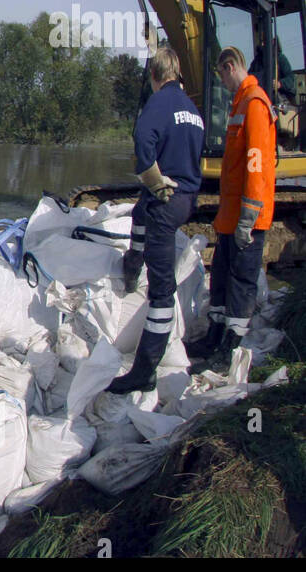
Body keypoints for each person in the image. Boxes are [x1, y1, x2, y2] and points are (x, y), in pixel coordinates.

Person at [110, 48, 204, 394]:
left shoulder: (160, 103)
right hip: (185, 199)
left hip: (167, 204)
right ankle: (133, 261)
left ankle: (144, 370)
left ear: (154, 76)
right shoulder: (192, 109)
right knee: (140, 210)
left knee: (162, 292)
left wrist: (153, 179)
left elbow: (141, 140)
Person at [198, 46, 276, 366]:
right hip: (230, 217)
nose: (221, 81)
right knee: (221, 278)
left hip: (246, 218)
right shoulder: (239, 103)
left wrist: (248, 217)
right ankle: (214, 336)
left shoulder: (254, 103)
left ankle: (231, 348)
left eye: (220, 74)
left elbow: (256, 166)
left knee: (242, 282)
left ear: (230, 67)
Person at [249, 38, 298, 106]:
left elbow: (290, 79)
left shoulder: (280, 59)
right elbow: (249, 77)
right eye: (262, 41)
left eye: (265, 41)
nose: (263, 44)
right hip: (260, 99)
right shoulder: (256, 61)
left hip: (279, 101)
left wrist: (279, 84)